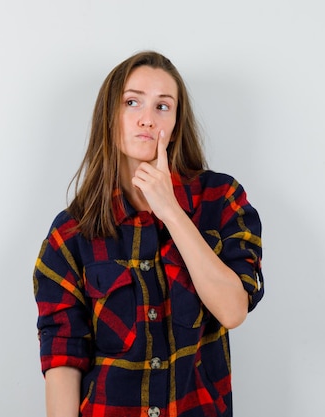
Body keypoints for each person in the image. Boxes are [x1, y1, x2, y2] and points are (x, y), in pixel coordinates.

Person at [33, 50, 264, 417]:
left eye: (162, 106)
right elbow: (63, 355)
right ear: (110, 115)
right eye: (132, 102)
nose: (147, 119)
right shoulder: (71, 233)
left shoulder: (221, 200)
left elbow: (233, 310)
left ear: (175, 122)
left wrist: (170, 210)